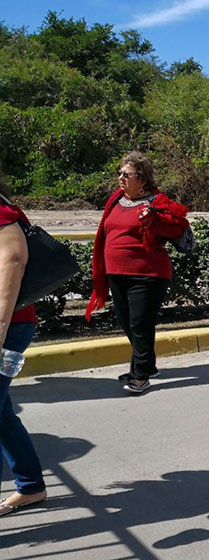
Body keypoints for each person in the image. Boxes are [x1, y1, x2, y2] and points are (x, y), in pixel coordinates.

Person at [85, 152, 189, 394]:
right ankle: (148, 366)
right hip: (116, 272)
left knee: (140, 324)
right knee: (126, 322)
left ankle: (140, 376)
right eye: (119, 173)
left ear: (142, 179)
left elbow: (177, 226)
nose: (120, 178)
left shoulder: (157, 202)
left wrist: (154, 220)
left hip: (148, 274)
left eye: (127, 174)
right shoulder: (116, 200)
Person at [0, 176, 48, 515]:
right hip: (11, 326)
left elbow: (13, 260)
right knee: (1, 413)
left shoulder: (2, 213)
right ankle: (31, 486)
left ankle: (31, 485)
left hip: (10, 327)